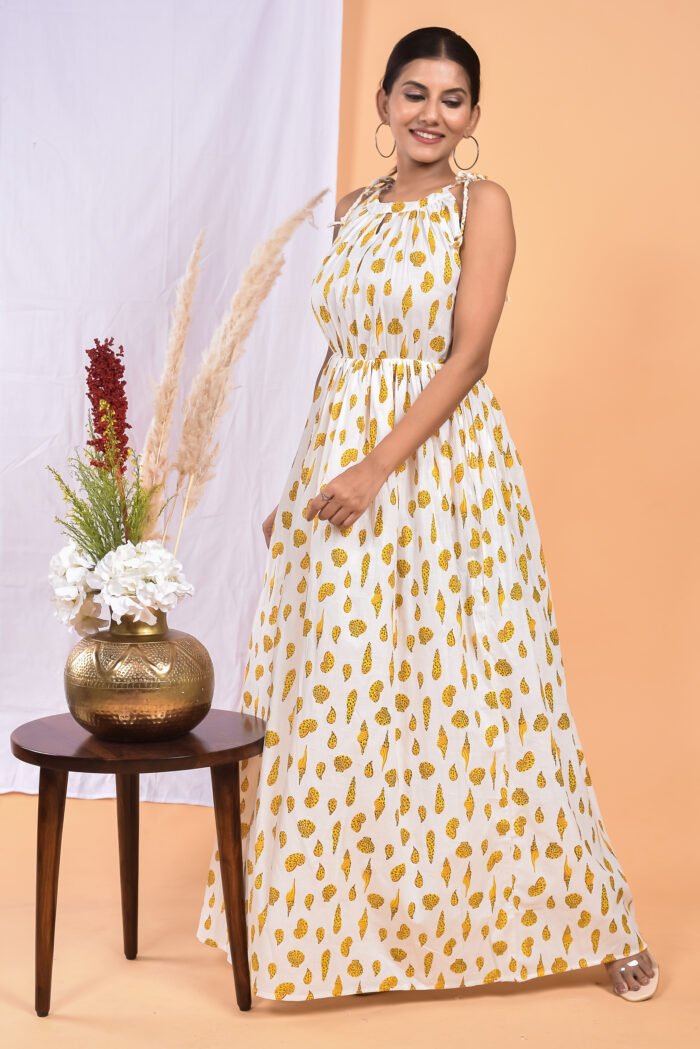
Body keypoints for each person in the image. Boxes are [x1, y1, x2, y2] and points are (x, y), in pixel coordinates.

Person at [197, 25, 659, 1004]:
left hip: (442, 474)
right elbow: (335, 364)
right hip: (342, 461)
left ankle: (594, 918)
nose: (430, 114)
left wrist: (376, 466)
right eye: (413, 93)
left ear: (475, 119)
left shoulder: (479, 205)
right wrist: (302, 483)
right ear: (381, 105)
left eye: (451, 100)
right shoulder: (355, 213)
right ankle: (334, 932)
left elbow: (467, 355)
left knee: (484, 690)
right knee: (347, 692)